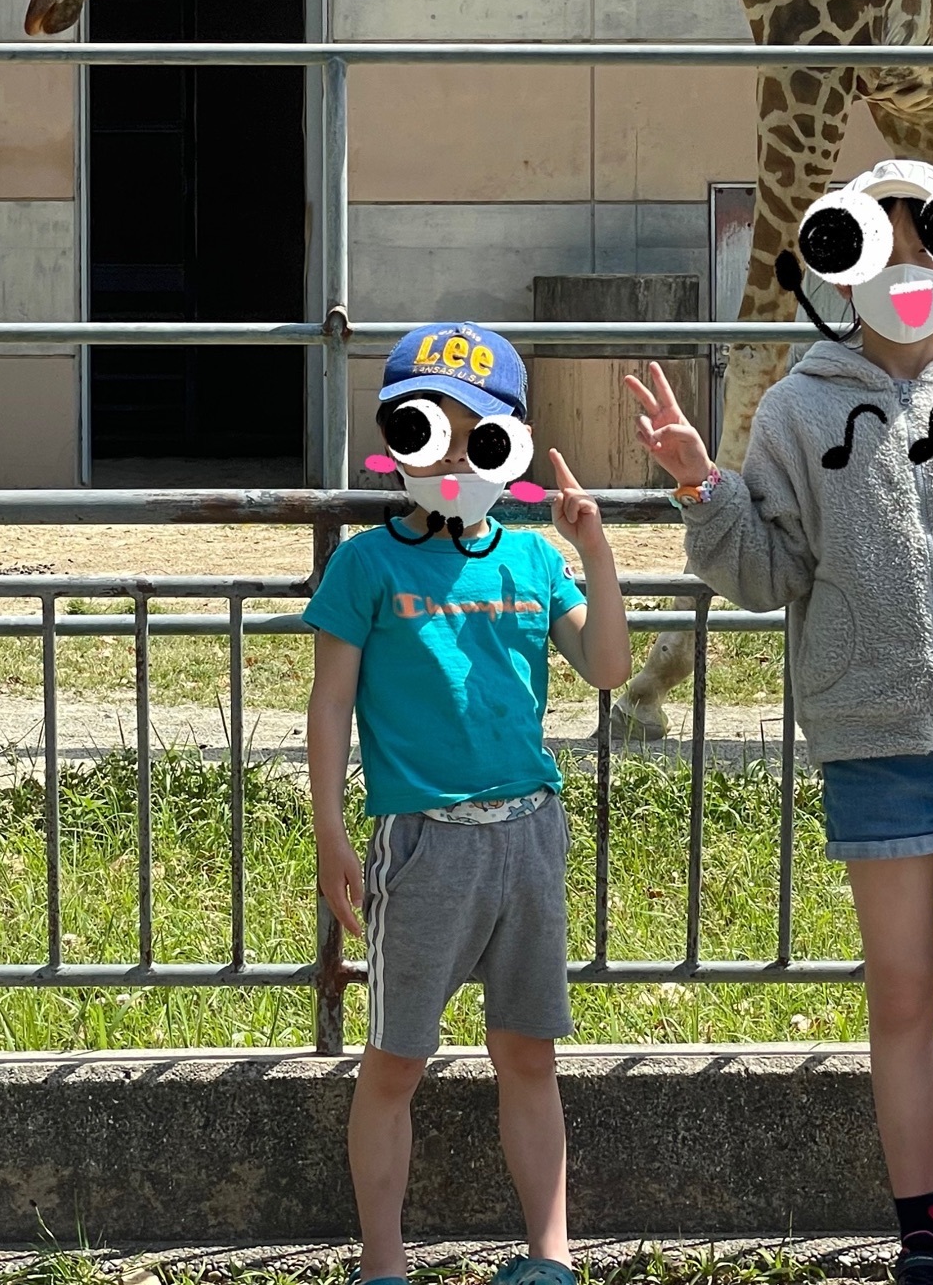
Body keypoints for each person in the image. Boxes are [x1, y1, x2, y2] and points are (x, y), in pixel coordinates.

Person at [626, 162, 933, 1285]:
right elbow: (769, 570)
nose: (906, 273)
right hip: (872, 737)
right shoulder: (797, 408)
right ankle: (919, 1232)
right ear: (838, 267)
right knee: (900, 989)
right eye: (881, 251)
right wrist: (706, 489)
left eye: (926, 249)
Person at [305, 321, 632, 1285]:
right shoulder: (367, 563)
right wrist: (333, 836)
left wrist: (596, 550)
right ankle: (383, 1260)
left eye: (476, 433)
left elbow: (607, 664)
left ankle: (549, 1256)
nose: (451, 453)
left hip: (528, 833)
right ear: (394, 435)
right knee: (395, 1060)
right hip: (421, 843)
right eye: (428, 429)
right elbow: (329, 705)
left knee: (529, 1054)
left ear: (512, 444)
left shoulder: (531, 561)